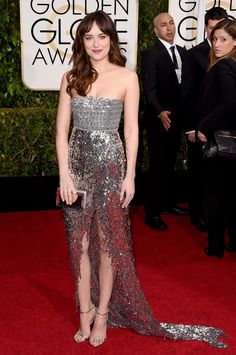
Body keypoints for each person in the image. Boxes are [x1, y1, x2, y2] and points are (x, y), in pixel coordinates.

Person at [56, 10, 227, 348]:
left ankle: (103, 313)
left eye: (101, 36)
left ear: (111, 39)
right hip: (75, 169)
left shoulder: (127, 77)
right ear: (81, 41)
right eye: (88, 37)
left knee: (108, 245)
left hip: (111, 168)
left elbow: (132, 132)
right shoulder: (71, 77)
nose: (95, 44)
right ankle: (84, 311)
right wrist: (63, 172)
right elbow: (62, 130)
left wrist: (131, 175)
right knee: (79, 246)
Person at [141, 12, 188, 231]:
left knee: (170, 165)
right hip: (158, 121)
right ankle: (152, 213)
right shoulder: (152, 53)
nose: (169, 28)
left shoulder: (181, 52)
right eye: (163, 25)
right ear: (155, 30)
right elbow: (149, 88)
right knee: (158, 166)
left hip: (176, 119)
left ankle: (168, 204)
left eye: (171, 24)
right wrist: (160, 111)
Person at [185, 7, 228, 232]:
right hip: (200, 125)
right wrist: (191, 128)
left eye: (221, 27)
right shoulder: (194, 55)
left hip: (226, 126)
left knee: (222, 178)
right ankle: (196, 214)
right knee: (197, 173)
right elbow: (189, 94)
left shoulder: (232, 53)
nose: (215, 33)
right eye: (212, 28)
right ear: (205, 28)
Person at [196, 18, 236, 257]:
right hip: (232, 140)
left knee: (214, 193)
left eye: (223, 39)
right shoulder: (231, 65)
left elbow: (230, 101)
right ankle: (232, 241)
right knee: (232, 194)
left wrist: (203, 125)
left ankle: (215, 246)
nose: (217, 44)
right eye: (214, 39)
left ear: (235, 41)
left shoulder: (222, 67)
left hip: (220, 142)